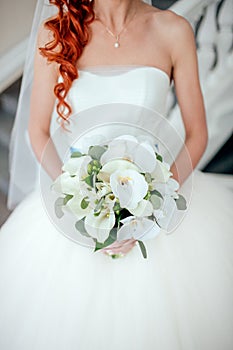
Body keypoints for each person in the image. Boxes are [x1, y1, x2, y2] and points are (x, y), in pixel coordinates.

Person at [0, 0, 232, 349]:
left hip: (159, 204)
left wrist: (154, 202)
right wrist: (81, 198)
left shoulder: (173, 30)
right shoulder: (59, 33)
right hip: (78, 206)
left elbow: (196, 132)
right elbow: (38, 132)